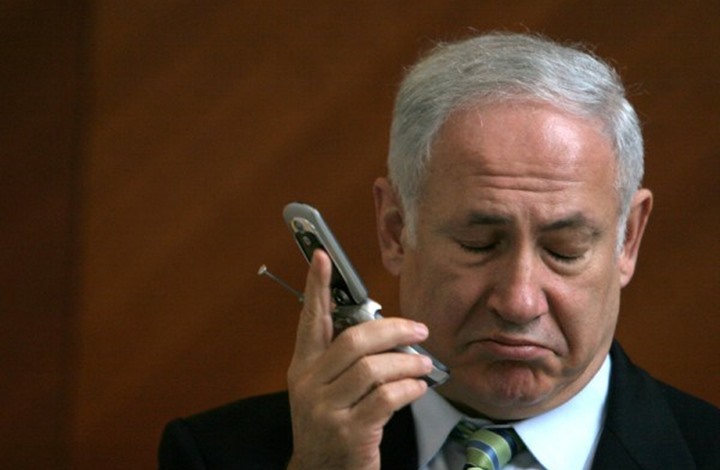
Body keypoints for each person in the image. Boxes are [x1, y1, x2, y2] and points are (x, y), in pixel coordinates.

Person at [158, 32, 720, 469]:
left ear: (627, 240)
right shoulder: (215, 456)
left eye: (565, 250)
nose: (519, 302)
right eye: (479, 244)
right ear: (395, 230)